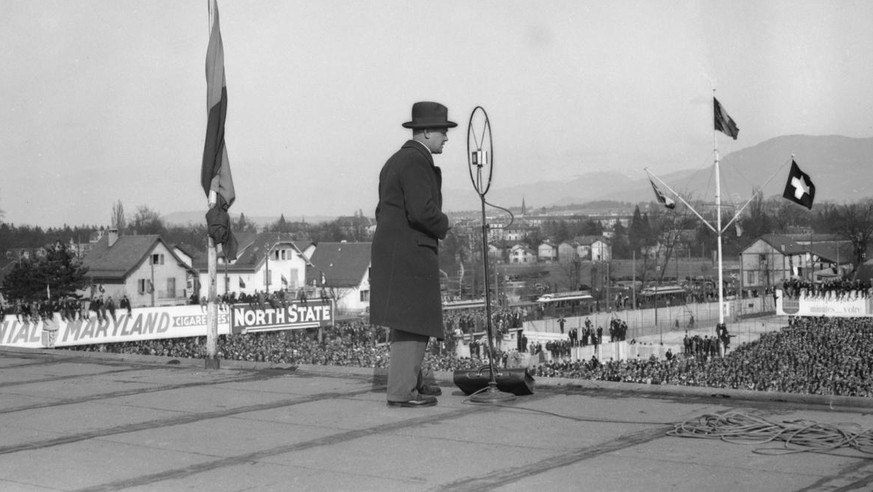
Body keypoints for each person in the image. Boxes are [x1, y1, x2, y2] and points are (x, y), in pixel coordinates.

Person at [370, 101, 455, 408]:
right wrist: (444, 223)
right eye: (443, 132)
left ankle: (412, 382)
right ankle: (403, 391)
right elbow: (422, 211)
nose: (446, 138)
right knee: (414, 320)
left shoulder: (398, 160)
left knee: (408, 318)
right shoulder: (417, 163)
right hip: (411, 251)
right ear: (427, 131)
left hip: (396, 250)